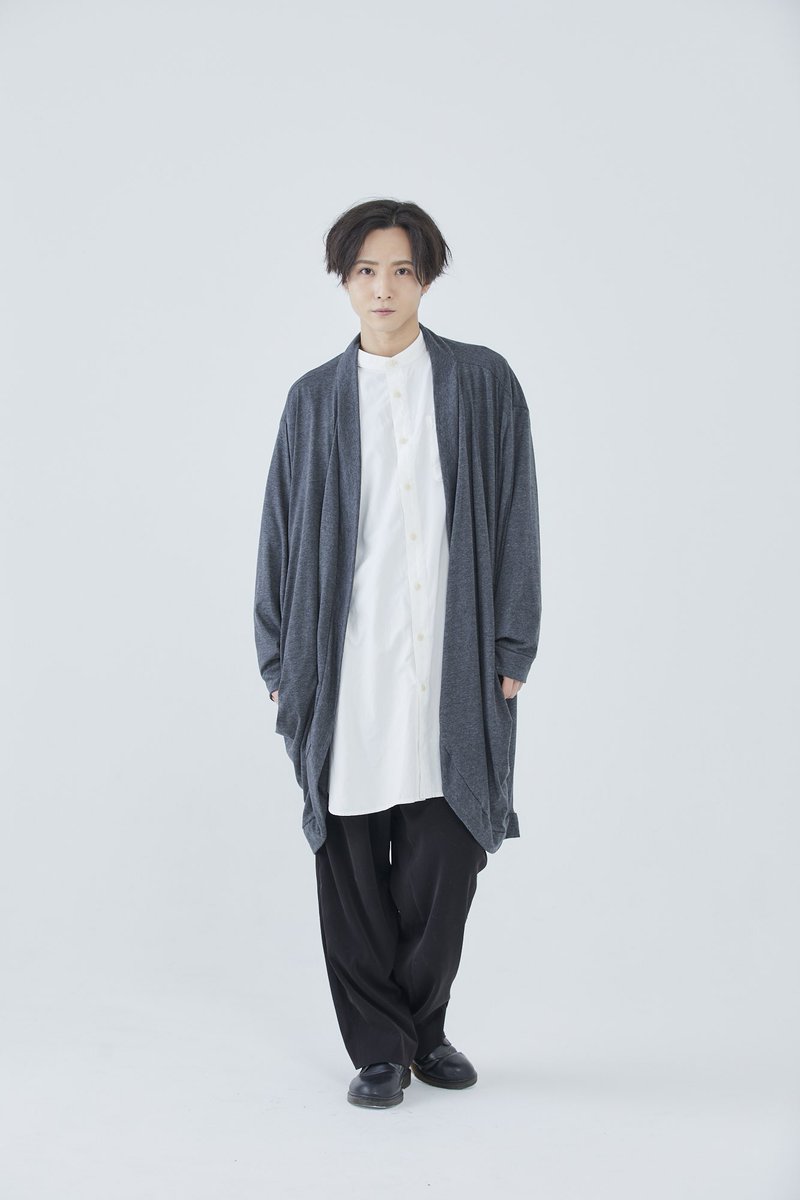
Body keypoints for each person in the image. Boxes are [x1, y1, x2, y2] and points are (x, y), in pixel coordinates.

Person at [254, 198, 542, 1108]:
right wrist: (279, 662)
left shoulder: (482, 383)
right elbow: (279, 534)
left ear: (426, 279)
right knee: (350, 868)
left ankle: (426, 1025)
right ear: (344, 280)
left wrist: (513, 642)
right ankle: (381, 1049)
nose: (383, 289)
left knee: (444, 860)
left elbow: (516, 515)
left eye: (402, 271)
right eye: (366, 271)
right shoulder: (313, 400)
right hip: (348, 668)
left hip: (450, 667)